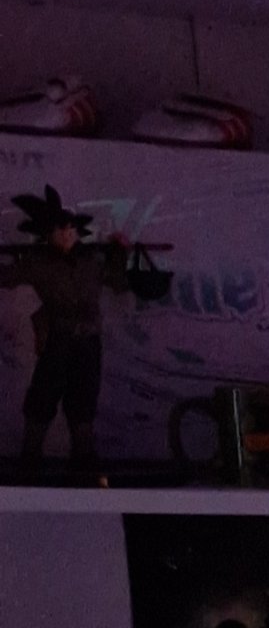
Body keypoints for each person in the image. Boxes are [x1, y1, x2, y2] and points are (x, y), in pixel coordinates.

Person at [2, 185, 171, 476]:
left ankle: (83, 458)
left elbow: (117, 282)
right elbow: (7, 276)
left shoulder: (90, 262)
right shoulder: (38, 264)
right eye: (61, 230)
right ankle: (30, 457)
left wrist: (118, 253)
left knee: (83, 399)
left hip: (88, 341)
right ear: (49, 234)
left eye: (71, 229)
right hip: (59, 338)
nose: (68, 234)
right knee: (43, 397)